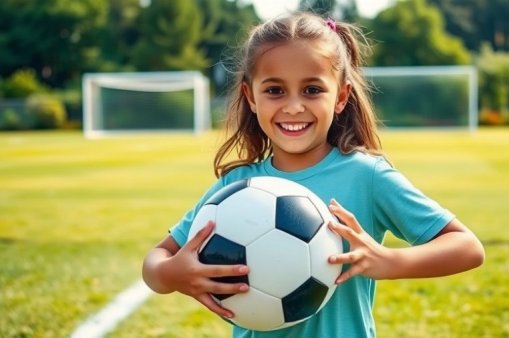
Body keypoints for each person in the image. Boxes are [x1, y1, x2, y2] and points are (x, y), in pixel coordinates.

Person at [142, 11, 485, 338]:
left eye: (312, 89)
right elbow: (156, 261)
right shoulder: (235, 187)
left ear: (341, 96)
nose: (293, 106)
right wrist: (170, 273)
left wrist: (390, 261)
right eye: (275, 90)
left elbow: (467, 247)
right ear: (250, 97)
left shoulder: (365, 176)